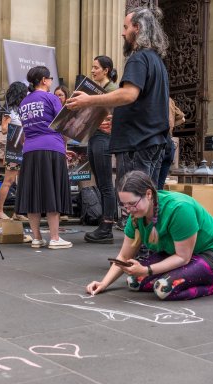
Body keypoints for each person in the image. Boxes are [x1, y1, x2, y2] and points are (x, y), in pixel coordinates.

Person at [86, 171, 213, 300]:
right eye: (124, 205)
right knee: (133, 281)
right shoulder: (135, 216)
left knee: (163, 288)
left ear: (149, 194)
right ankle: (192, 276)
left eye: (132, 203)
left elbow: (183, 257)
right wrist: (104, 283)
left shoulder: (179, 208)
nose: (128, 210)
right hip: (179, 254)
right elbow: (124, 257)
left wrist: (146, 270)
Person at [66, 6, 170, 184]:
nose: (123, 33)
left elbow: (129, 94)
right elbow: (147, 104)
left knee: (131, 202)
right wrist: (120, 119)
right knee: (146, 204)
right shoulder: (157, 62)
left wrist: (88, 100)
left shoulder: (138, 58)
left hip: (137, 144)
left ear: (137, 28)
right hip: (153, 142)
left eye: (125, 27)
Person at [16, 66, 73, 249]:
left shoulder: (24, 102)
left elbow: (25, 130)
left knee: (33, 193)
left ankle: (36, 237)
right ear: (43, 80)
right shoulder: (51, 98)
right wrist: (64, 146)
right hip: (51, 147)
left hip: (30, 150)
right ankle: (55, 238)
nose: (51, 82)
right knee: (52, 191)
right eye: (49, 79)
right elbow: (63, 125)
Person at [84, 55, 119, 244]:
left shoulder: (113, 89)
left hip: (104, 138)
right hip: (94, 136)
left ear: (106, 70)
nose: (92, 71)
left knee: (105, 184)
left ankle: (107, 226)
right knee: (101, 183)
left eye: (95, 67)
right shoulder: (98, 90)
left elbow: (119, 113)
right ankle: (105, 225)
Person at [0, 81, 28, 221]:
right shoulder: (8, 110)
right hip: (14, 148)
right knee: (8, 180)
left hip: (24, 147)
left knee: (22, 182)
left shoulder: (21, 109)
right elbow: (4, 129)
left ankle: (18, 211)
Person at [157, 98, 185, 190]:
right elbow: (182, 119)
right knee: (159, 187)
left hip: (156, 141)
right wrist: (170, 127)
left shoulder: (151, 94)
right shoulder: (169, 100)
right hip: (169, 142)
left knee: (149, 185)